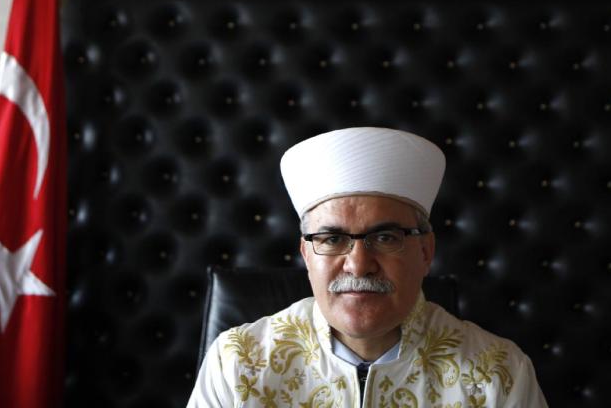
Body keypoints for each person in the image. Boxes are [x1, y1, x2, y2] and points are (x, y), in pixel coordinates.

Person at [188, 127, 548, 407]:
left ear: (425, 251)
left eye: (386, 237)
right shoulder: (237, 364)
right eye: (331, 239)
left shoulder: (499, 373)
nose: (359, 265)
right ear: (306, 254)